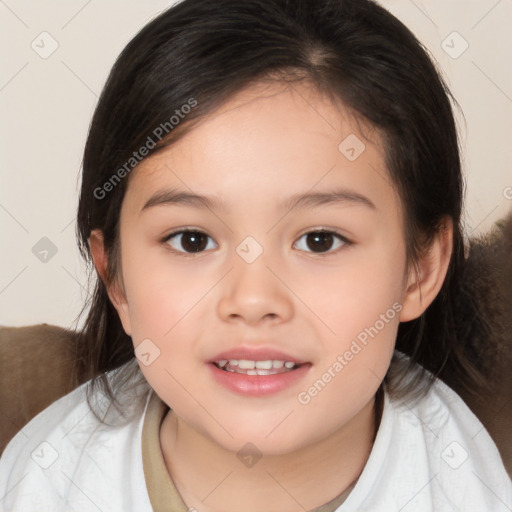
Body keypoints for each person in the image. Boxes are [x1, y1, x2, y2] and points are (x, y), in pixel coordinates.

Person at [0, 0, 510, 510]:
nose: (253, 299)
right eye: (192, 240)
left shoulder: (479, 486)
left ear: (419, 270)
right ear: (116, 277)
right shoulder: (37, 484)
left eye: (320, 240)